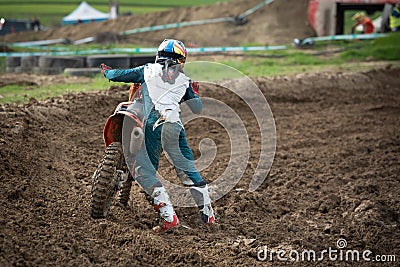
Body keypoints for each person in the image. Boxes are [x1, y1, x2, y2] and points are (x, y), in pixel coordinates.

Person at [101, 39, 216, 232]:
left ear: (159, 55)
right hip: (175, 127)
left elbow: (119, 75)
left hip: (155, 125)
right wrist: (193, 92)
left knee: (143, 172)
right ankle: (209, 217)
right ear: (181, 60)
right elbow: (197, 108)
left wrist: (106, 72)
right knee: (187, 171)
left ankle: (169, 219)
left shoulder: (148, 69)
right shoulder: (184, 79)